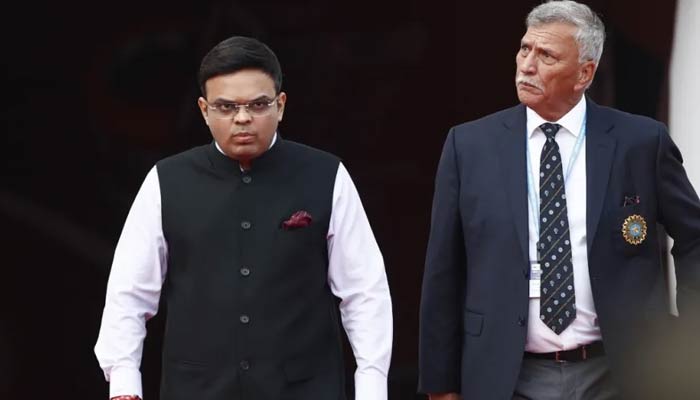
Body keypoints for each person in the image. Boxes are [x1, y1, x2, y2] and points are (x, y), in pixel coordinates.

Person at [418, 1, 700, 399]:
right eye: (524, 49)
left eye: (546, 55)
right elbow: (443, 269)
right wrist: (441, 384)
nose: (527, 65)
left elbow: (694, 239)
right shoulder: (469, 146)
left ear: (585, 73)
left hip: (620, 374)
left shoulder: (640, 142)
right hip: (506, 375)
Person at [95, 36, 392, 400]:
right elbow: (129, 293)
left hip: (303, 388)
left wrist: (372, 387)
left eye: (258, 104)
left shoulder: (326, 175)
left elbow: (364, 291)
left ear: (280, 105)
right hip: (198, 389)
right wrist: (124, 383)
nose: (242, 117)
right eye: (225, 106)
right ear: (204, 110)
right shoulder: (166, 181)